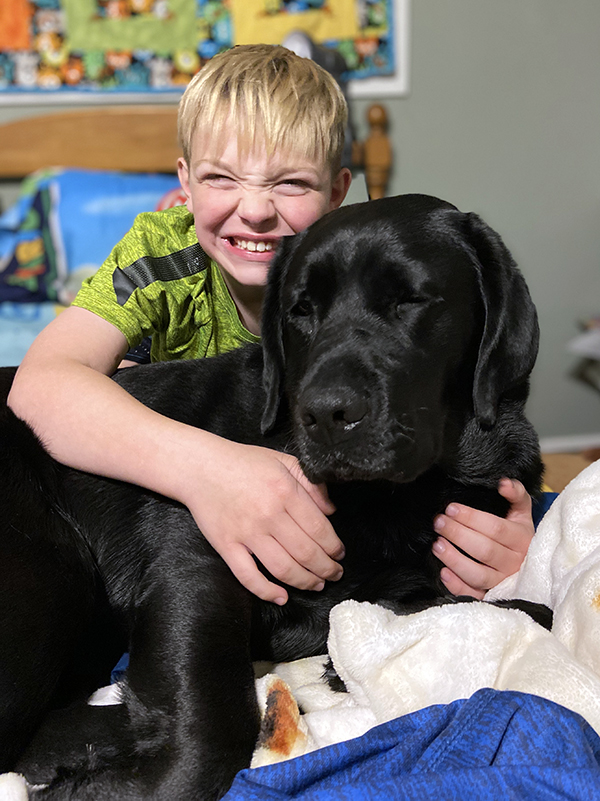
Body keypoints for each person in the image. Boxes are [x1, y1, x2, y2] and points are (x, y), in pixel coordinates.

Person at [7, 44, 535, 607]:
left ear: (337, 194)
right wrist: (210, 471)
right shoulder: (158, 260)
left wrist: (504, 542)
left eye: (290, 184)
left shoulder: (389, 266)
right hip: (135, 514)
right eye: (220, 178)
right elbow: (39, 385)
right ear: (185, 183)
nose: (254, 209)